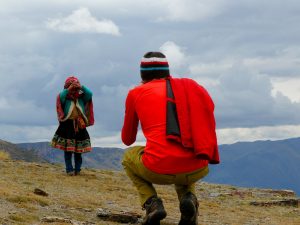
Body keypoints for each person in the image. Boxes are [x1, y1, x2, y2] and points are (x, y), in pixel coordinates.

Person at [121, 52, 219, 225]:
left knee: (129, 156)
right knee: (184, 149)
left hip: (158, 168)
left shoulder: (136, 93)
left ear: (142, 74)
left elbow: (127, 139)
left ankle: (152, 203)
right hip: (198, 165)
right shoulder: (188, 89)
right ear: (167, 72)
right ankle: (188, 199)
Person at [51, 76, 94, 176]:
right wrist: (68, 90)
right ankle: (69, 169)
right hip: (67, 125)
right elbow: (61, 97)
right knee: (68, 150)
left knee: (78, 151)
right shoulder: (65, 97)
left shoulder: (81, 97)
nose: (74, 88)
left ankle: (77, 169)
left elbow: (89, 94)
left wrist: (81, 86)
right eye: (71, 86)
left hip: (79, 125)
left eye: (75, 86)